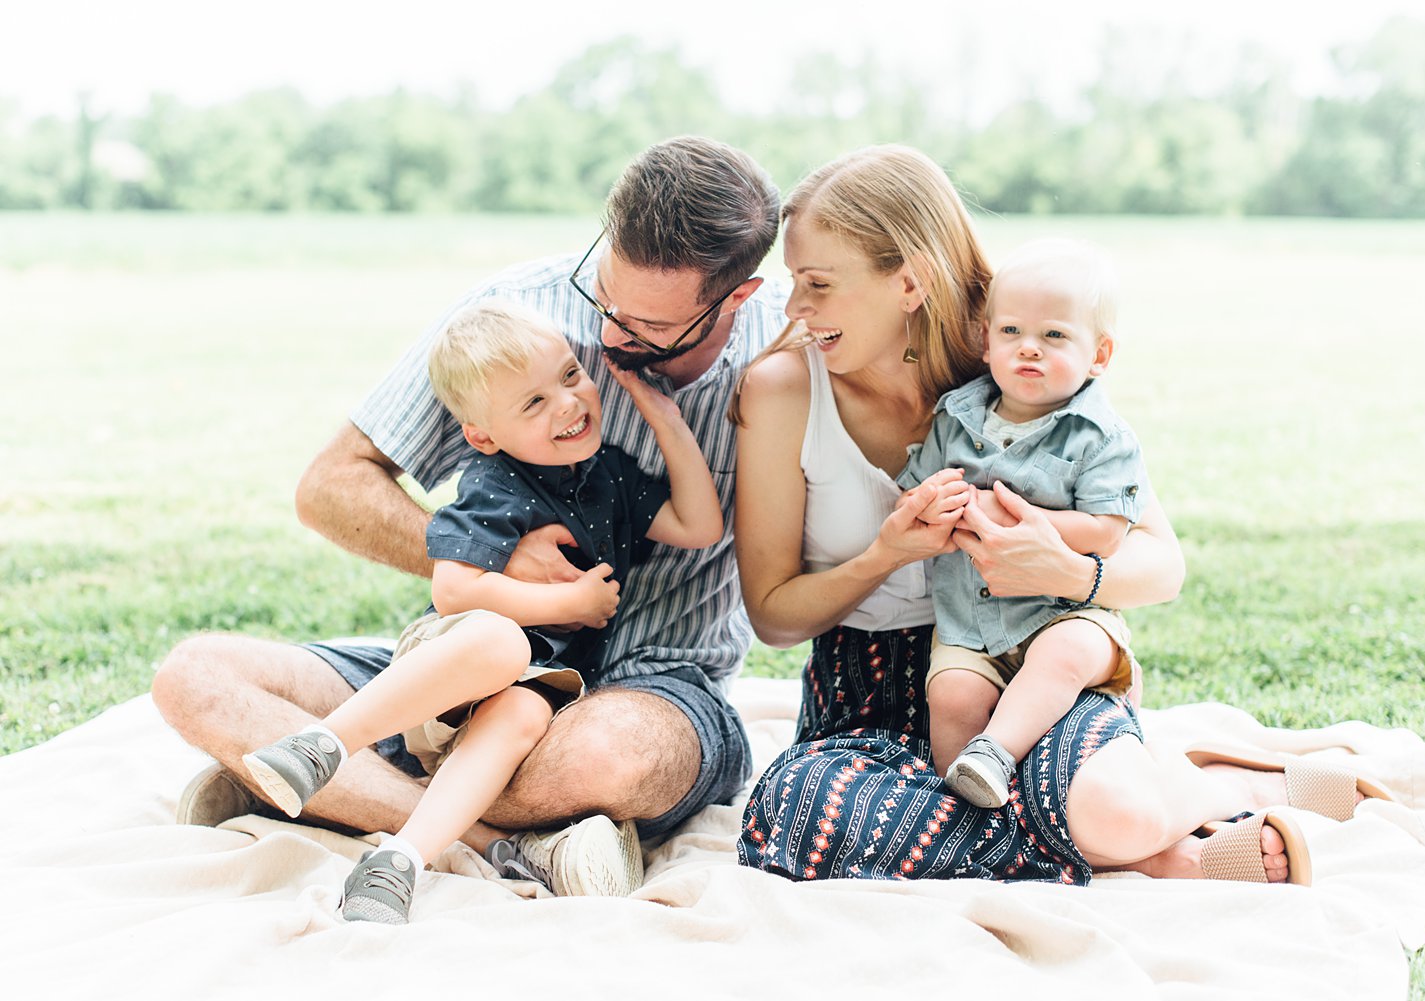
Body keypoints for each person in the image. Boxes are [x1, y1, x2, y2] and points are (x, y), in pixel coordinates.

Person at [150, 136, 785, 896]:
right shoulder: (521, 318)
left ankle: (311, 793)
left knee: (615, 755)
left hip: (655, 684)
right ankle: (496, 840)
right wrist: (495, 570)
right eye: (603, 299)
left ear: (736, 297)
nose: (610, 337)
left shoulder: (792, 358)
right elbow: (332, 485)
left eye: (645, 329)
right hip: (468, 672)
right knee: (197, 676)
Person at [732, 144, 1345, 887]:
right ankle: (1175, 842)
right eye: (796, 282)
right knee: (796, 811)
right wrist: (883, 556)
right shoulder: (784, 390)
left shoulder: (1016, 355)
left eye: (818, 285)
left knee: (1111, 809)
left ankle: (1181, 808)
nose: (794, 308)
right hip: (867, 695)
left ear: (909, 282)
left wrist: (1066, 570)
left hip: (1031, 664)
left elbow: (1160, 564)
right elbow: (773, 615)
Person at [239, 302, 723, 923]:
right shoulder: (498, 481)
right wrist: (568, 603)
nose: (569, 404)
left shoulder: (612, 477)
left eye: (571, 376)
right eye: (533, 404)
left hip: (521, 689)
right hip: (450, 661)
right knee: (502, 643)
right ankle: (323, 745)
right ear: (484, 434)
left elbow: (700, 525)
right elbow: (455, 590)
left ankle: (398, 865)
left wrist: (663, 417)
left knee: (526, 707)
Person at [897, 237, 1149, 809]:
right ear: (986, 342)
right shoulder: (956, 418)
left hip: (1065, 613)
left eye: (1054, 336)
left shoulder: (1102, 437)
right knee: (953, 694)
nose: (1029, 349)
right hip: (971, 623)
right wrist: (937, 507)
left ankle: (996, 752)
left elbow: (1108, 531)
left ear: (1100, 354)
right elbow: (918, 495)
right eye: (1011, 332)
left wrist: (1024, 520)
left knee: (1065, 655)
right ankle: (968, 800)